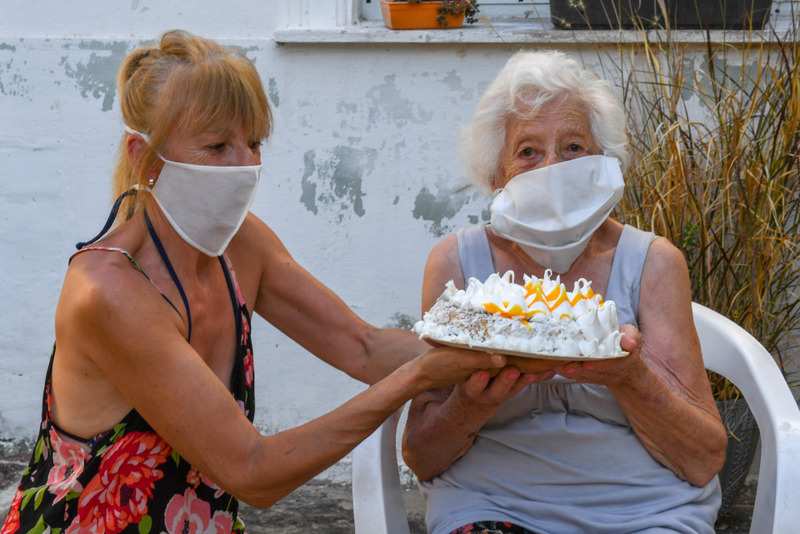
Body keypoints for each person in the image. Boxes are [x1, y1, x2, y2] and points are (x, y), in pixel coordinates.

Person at [0, 30, 507, 534]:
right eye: (217, 146)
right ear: (144, 157)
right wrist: (415, 380)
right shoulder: (108, 290)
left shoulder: (241, 247)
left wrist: (515, 347)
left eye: (254, 142)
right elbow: (252, 472)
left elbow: (364, 347)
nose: (245, 166)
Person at [402, 51, 728, 534]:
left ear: (603, 162)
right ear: (497, 175)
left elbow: (703, 459)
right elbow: (423, 457)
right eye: (528, 151)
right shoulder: (455, 264)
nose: (551, 167)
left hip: (645, 511)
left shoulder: (654, 262)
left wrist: (629, 376)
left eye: (573, 147)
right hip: (493, 506)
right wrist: (475, 400)